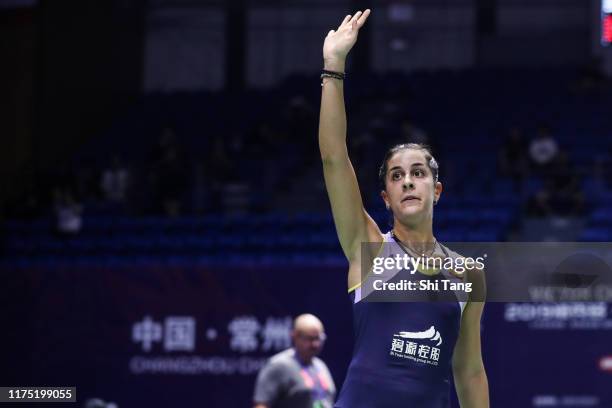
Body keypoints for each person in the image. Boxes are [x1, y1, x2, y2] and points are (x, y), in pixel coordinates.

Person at [318, 9, 489, 407]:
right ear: (385, 198)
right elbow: (333, 158)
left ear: (438, 189)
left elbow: (470, 372)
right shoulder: (370, 249)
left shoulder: (469, 276)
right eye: (396, 176)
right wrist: (334, 67)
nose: (408, 181)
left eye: (418, 173)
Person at [253, 314, 336, 408]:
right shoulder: (278, 365)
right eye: (309, 339)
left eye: (318, 338)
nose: (315, 344)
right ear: (295, 336)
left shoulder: (321, 365)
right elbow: (261, 405)